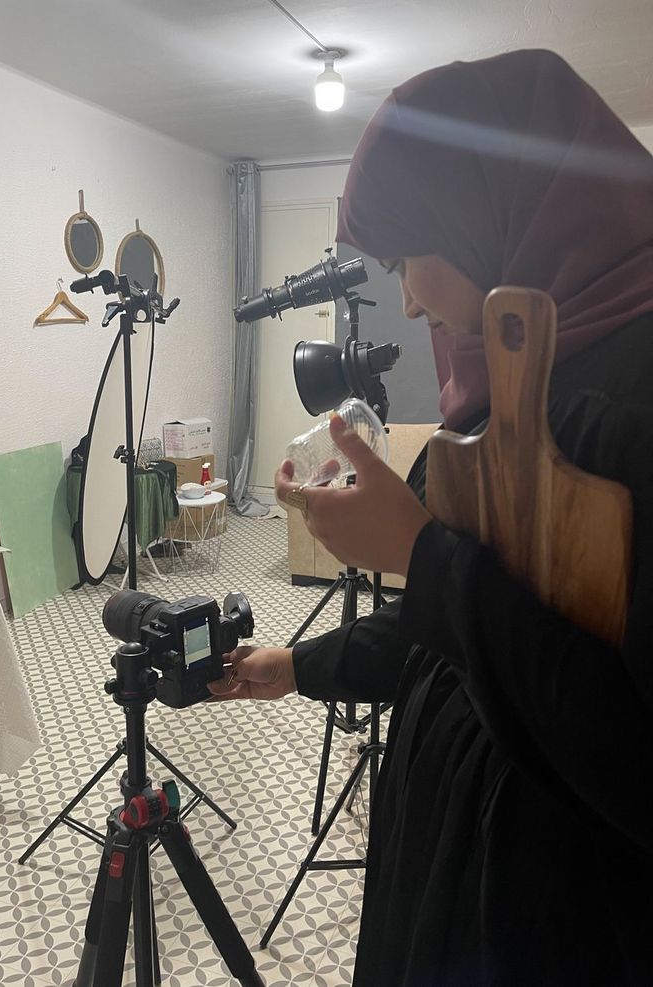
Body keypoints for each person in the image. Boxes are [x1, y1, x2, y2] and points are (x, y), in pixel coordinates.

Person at [208, 49, 653, 985]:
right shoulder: (524, 385)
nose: (406, 298)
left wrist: (417, 549)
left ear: (485, 214)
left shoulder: (631, 405)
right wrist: (304, 665)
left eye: (410, 257)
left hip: (561, 923)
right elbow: (470, 635)